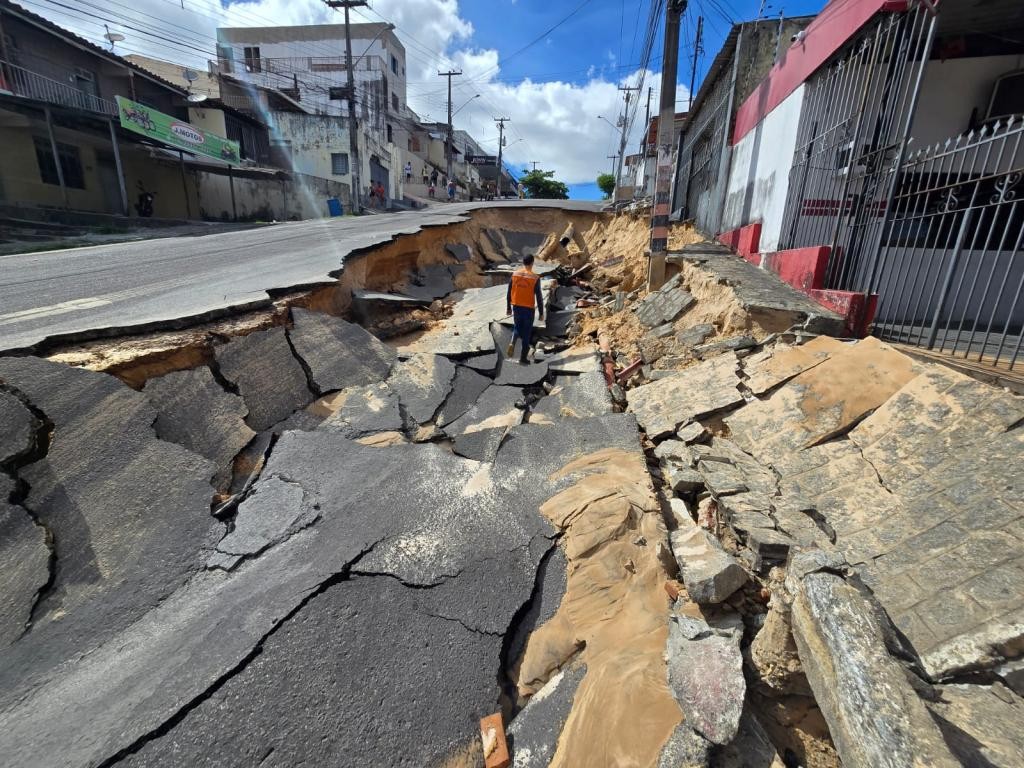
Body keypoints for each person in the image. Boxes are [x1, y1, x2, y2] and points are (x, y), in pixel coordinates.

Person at [505, 254, 544, 364]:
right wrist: (541, 313)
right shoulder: (535, 278)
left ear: (523, 262)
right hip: (528, 308)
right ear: (532, 263)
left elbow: (509, 292)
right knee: (526, 332)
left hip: (516, 306)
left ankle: (512, 341)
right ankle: (523, 358)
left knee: (517, 326)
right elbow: (539, 297)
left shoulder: (515, 274)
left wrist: (508, 307)